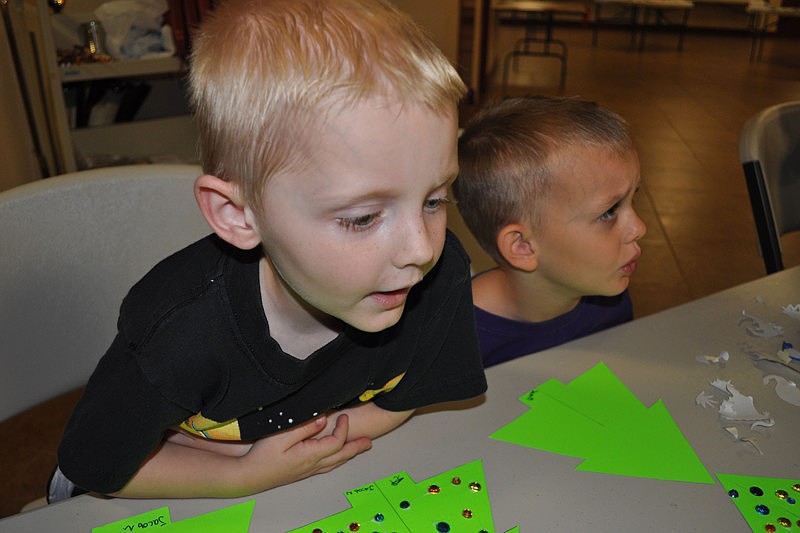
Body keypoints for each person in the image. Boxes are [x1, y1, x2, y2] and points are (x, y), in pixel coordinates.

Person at [52, 0, 486, 500]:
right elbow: (94, 469)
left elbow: (405, 397)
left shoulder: (439, 274)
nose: (421, 248)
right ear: (239, 215)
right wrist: (246, 474)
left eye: (435, 199)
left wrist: (279, 449)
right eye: (362, 218)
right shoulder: (177, 335)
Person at [453, 96, 647, 367]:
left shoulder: (609, 300)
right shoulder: (452, 341)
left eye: (632, 199)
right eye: (609, 212)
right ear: (523, 246)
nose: (639, 228)